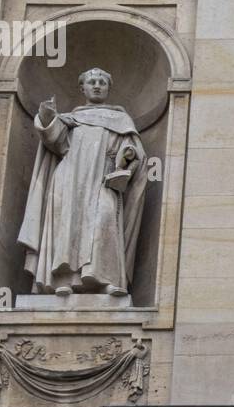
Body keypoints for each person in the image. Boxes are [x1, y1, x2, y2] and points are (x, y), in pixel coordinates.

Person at [19, 67, 147, 297]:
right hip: (70, 178)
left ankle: (106, 279)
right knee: (68, 225)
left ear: (108, 88)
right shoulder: (72, 118)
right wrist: (48, 118)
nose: (97, 85)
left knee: (105, 221)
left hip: (103, 179)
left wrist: (127, 155)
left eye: (102, 82)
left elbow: (134, 151)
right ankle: (63, 280)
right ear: (83, 88)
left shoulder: (121, 119)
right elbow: (56, 142)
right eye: (92, 82)